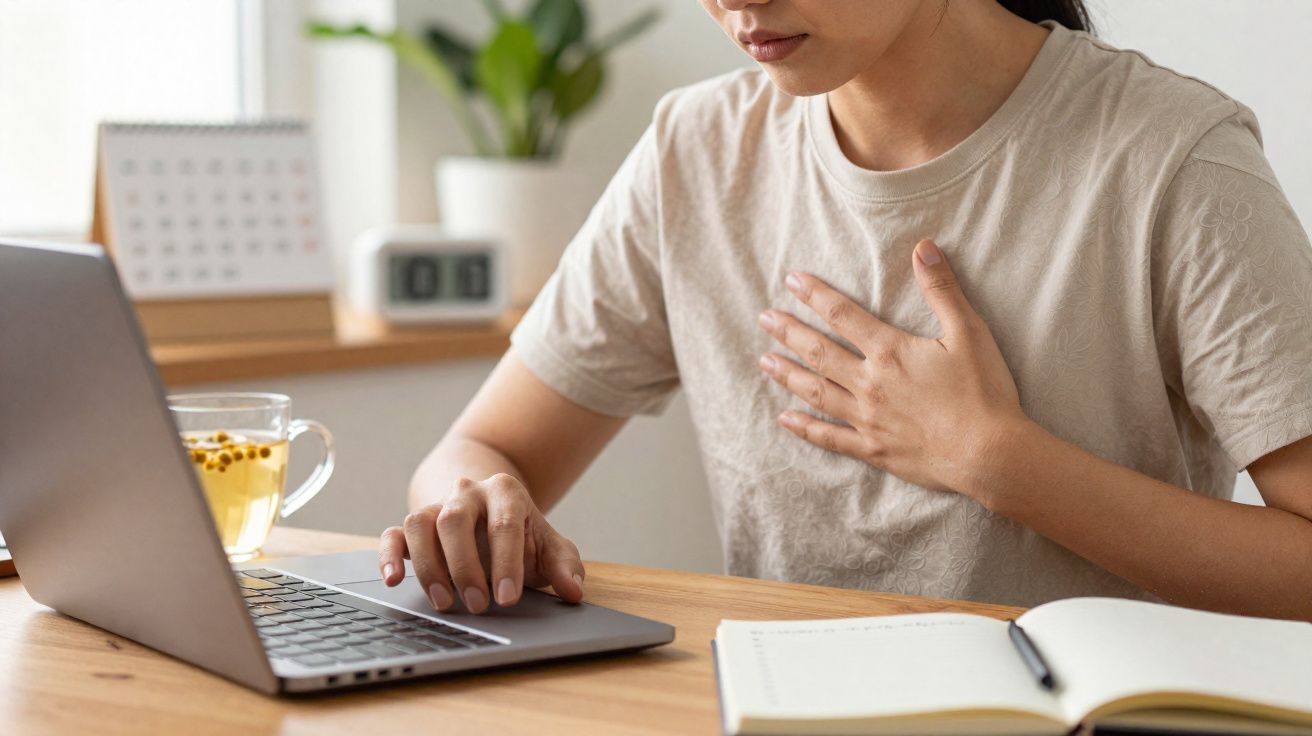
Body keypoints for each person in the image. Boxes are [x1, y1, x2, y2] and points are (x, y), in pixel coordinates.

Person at [379, 0, 1312, 620]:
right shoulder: (694, 154)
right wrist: (478, 508)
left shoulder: (1175, 161)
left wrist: (998, 461)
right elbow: (478, 453)